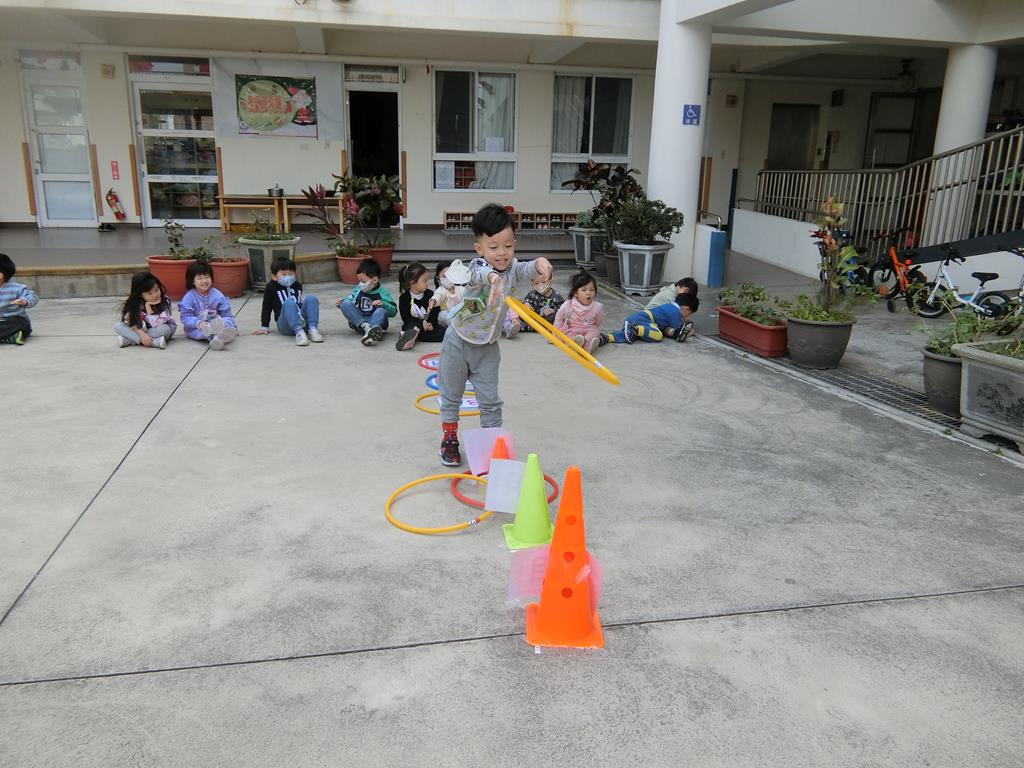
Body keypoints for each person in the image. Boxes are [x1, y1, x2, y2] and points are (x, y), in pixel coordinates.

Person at [437, 203, 552, 466]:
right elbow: (479, 273)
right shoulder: (476, 268)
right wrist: (492, 278)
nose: (502, 253)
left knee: (490, 402)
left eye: (508, 246)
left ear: (514, 244)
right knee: (451, 395)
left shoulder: (512, 268)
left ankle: (492, 447)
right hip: (458, 342)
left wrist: (541, 263)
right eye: (493, 247)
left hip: (488, 348)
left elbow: (527, 268)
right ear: (479, 248)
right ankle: (449, 439)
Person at [253, 257, 323, 346]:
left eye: (291, 274)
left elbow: (299, 302)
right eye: (284, 274)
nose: (288, 277)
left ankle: (313, 329)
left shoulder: (297, 285)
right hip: (285, 325)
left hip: (302, 322)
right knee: (288, 302)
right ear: (274, 276)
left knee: (311, 298)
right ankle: (299, 333)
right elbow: (267, 307)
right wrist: (264, 326)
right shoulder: (271, 287)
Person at [334, 258, 397, 346]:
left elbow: (393, 312)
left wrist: (384, 304)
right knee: (345, 303)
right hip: (360, 323)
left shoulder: (383, 293)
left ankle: (372, 330)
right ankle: (368, 329)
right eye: (359, 281)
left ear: (375, 280)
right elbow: (351, 299)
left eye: (363, 281)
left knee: (381, 311)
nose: (360, 284)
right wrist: (342, 301)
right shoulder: (359, 289)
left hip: (377, 324)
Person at [179, 262, 239, 350]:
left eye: (207, 277)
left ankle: (218, 337)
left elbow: (226, 314)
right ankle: (217, 337)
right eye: (200, 278)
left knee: (227, 321)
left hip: (216, 322)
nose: (204, 281)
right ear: (192, 281)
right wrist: (198, 323)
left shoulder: (217, 294)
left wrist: (232, 325)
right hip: (199, 326)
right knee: (200, 331)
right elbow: (185, 317)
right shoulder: (189, 297)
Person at [604, 292, 699, 344]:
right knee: (658, 335)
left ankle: (608, 337)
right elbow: (678, 329)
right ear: (686, 308)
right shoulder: (675, 311)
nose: (686, 316)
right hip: (643, 320)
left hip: (637, 318)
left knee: (628, 336)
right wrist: (690, 332)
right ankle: (636, 329)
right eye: (689, 314)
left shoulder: (669, 306)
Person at [114, 271, 176, 349]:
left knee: (164, 329)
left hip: (158, 329)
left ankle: (130, 340)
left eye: (157, 290)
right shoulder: (136, 303)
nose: (155, 295)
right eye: (149, 293)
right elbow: (129, 321)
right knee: (118, 326)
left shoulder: (165, 300)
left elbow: (157, 324)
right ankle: (154, 342)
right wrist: (141, 334)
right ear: (140, 295)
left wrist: (148, 308)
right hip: (142, 330)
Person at [395, 262, 445, 351]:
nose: (427, 283)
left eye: (427, 280)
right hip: (414, 325)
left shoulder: (430, 295)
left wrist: (431, 324)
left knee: (443, 332)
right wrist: (421, 323)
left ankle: (413, 337)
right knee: (411, 326)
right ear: (413, 283)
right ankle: (409, 337)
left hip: (428, 327)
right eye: (424, 281)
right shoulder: (404, 298)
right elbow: (406, 318)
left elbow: (436, 311)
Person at [553, 271, 604, 354]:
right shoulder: (568, 304)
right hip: (573, 329)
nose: (588, 293)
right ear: (575, 293)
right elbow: (559, 318)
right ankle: (576, 342)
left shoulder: (597, 307)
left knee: (595, 332)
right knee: (569, 335)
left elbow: (598, 321)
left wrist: (593, 329)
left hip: (588, 329)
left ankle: (588, 346)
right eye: (584, 290)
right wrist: (556, 332)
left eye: (592, 290)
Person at [0, 253, 38, 346]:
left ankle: (9, 336)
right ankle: (10, 338)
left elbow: (33, 296)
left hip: (13, 322)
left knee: (20, 322)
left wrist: (24, 301)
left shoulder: (17, 288)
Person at [429, 263, 463, 327]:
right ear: (438, 279)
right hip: (448, 318)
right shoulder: (441, 290)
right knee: (442, 314)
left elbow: (467, 294)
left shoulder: (460, 288)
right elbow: (438, 295)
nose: (448, 278)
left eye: (450, 275)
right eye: (444, 276)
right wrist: (433, 301)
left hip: (461, 316)